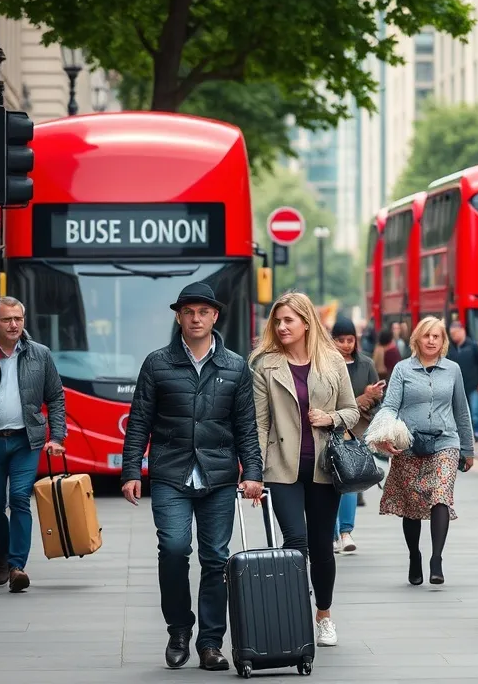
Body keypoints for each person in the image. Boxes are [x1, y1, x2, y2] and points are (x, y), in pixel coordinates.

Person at [121, 282, 263, 672]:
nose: (196, 318)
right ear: (179, 317)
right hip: (171, 472)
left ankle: (211, 643)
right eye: (189, 311)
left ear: (215, 316)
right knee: (173, 548)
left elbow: (246, 427)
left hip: (218, 477)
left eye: (203, 311)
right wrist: (131, 469)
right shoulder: (157, 363)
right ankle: (179, 629)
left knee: (215, 558)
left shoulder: (235, 366)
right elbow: (139, 422)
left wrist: (252, 471)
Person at [250, 293, 360, 648]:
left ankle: (323, 614)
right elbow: (259, 423)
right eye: (277, 321)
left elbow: (352, 411)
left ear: (306, 323)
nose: (281, 327)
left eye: (288, 321)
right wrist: (253, 470)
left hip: (323, 468)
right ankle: (295, 610)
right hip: (281, 468)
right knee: (295, 542)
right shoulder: (265, 365)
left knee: (321, 546)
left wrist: (331, 418)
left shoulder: (332, 361)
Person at [0, 297, 67, 593]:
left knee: (19, 498)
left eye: (18, 318)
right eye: (7, 320)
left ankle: (18, 565)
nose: (14, 324)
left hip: (25, 441)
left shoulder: (40, 355)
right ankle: (3, 553)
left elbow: (55, 397)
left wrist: (56, 437)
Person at [372, 317, 475, 586]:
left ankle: (436, 558)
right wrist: (383, 435)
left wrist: (467, 449)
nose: (431, 340)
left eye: (436, 336)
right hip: (409, 443)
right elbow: (390, 406)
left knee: (441, 495)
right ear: (416, 339)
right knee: (412, 505)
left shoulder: (452, 370)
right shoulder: (402, 370)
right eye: (426, 335)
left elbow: (461, 410)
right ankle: (414, 555)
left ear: (443, 342)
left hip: (445, 443)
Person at [330, 315, 385, 553]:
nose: (345, 344)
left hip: (356, 433)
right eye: (340, 339)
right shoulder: (324, 365)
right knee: (329, 485)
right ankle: (331, 534)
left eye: (349, 339)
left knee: (351, 483)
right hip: (329, 431)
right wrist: (361, 399)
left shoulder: (366, 365)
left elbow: (376, 403)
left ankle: (346, 533)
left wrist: (372, 397)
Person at [447, 320, 478, 441]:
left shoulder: (473, 346)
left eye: (455, 333)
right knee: (462, 412)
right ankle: (466, 434)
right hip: (458, 386)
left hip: (474, 385)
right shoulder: (450, 348)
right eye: (451, 334)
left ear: (462, 331)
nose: (453, 336)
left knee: (475, 411)